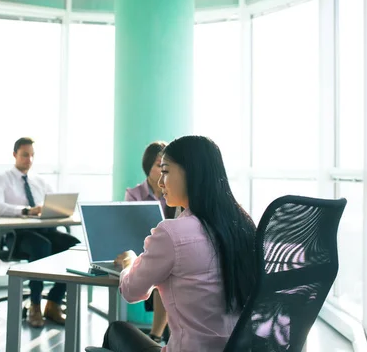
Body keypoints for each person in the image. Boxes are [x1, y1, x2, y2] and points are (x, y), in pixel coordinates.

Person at [100, 136, 257, 352]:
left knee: (116, 330)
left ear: (191, 173)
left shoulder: (173, 233)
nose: (161, 182)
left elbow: (131, 291)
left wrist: (131, 263)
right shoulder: (243, 227)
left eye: (165, 171)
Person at [0, 137, 79, 328]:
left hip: (45, 230)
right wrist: (25, 211)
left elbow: (54, 204)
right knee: (42, 246)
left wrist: (56, 211)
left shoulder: (41, 181)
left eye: (32, 155)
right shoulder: (2, 179)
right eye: (24, 155)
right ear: (14, 155)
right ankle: (35, 304)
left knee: (73, 244)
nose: (29, 160)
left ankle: (54, 302)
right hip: (17, 235)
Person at [124, 141, 181, 343]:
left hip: (168, 252)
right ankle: (157, 336)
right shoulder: (134, 194)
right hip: (145, 248)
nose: (163, 174)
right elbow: (130, 228)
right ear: (148, 166)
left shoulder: (178, 196)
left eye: (167, 168)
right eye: (160, 166)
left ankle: (156, 336)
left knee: (166, 275)